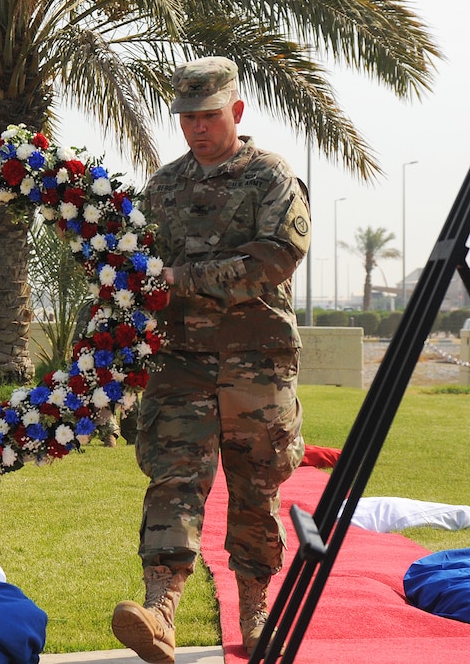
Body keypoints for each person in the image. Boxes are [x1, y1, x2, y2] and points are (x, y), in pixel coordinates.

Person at [110, 56, 310, 662]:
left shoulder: (271, 178)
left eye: (209, 116)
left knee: (256, 486)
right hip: (180, 363)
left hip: (256, 362)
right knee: (173, 480)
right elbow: (139, 266)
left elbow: (277, 256)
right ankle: (160, 609)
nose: (197, 128)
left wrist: (183, 278)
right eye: (188, 117)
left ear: (237, 112)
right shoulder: (163, 186)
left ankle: (255, 607)